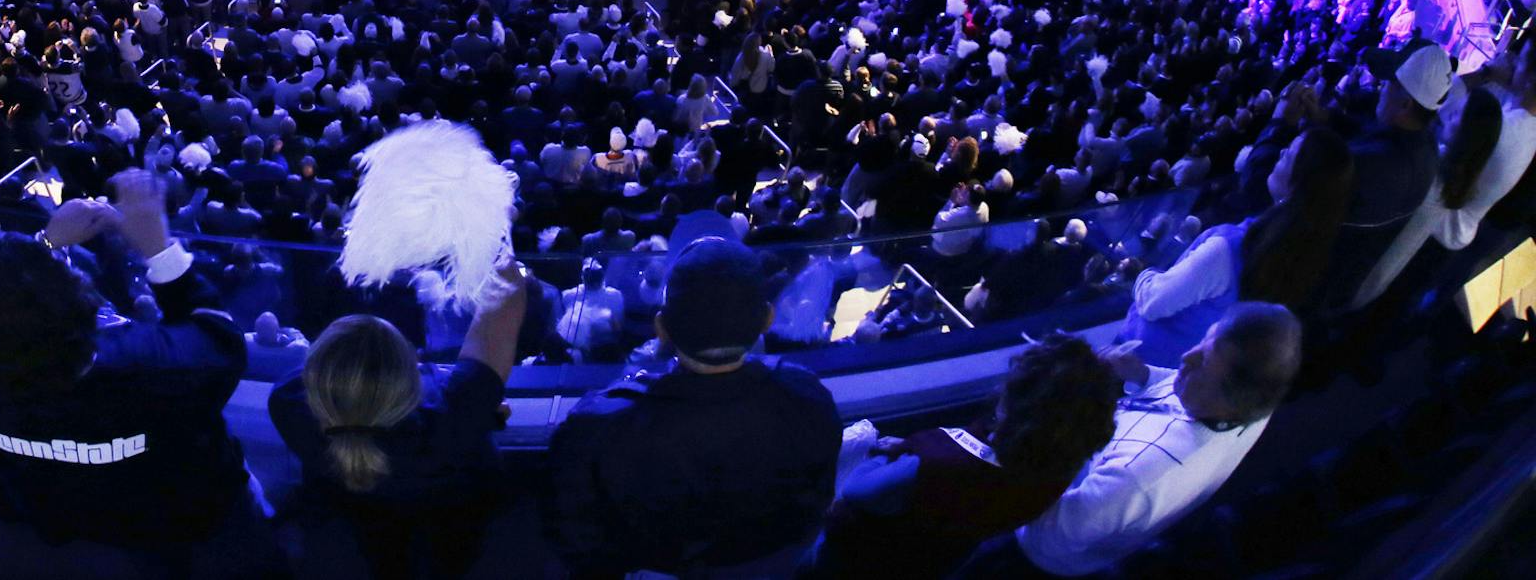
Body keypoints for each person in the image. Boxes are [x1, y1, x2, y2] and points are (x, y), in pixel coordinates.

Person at [0, 171, 274, 563]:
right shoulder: (146, 366)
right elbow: (220, 337)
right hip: (191, 508)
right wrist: (157, 243)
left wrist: (45, 245)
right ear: (83, 311)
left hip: (80, 509)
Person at [547, 238, 842, 577]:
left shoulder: (598, 425)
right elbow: (813, 505)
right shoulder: (808, 397)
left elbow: (575, 536)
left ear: (662, 328)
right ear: (767, 319)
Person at [270, 265, 529, 579]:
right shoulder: (456, 410)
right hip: (451, 546)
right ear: (413, 375)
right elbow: (508, 287)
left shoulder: (288, 404)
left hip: (348, 548)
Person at [805, 334, 1123, 580]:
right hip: (935, 561)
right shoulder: (1064, 460)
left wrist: (881, 456)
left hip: (861, 556)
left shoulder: (938, 463)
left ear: (1020, 407)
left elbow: (858, 490)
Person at [1016, 303, 1300, 575]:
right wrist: (1142, 374)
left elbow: (1043, 537)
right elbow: (1183, 387)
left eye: (1204, 360)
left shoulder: (1139, 479)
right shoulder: (1255, 403)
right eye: (1202, 341)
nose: (1186, 357)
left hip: (1037, 552)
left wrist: (1041, 429)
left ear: (1233, 396)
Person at [1122, 126, 1352, 364]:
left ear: (1298, 186)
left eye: (1289, 155)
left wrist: (1143, 272)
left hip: (1140, 358)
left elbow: (1153, 303)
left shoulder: (1227, 249)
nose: (1281, 151)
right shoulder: (1300, 256)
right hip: (1186, 366)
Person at [1354, 42, 1536, 309]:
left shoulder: (1501, 131)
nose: (1509, 60)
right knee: (1391, 308)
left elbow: (1442, 103)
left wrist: (1485, 74)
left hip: (1432, 235)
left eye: (1519, 60)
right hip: (1452, 236)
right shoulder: (1525, 126)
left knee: (1380, 301)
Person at [1321, 42, 1451, 313]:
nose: (1381, 88)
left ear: (1405, 103)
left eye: (1390, 83)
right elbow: (1373, 134)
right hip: (1338, 282)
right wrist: (1325, 118)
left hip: (1315, 278)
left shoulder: (1375, 165)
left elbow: (1305, 203)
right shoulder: (1424, 146)